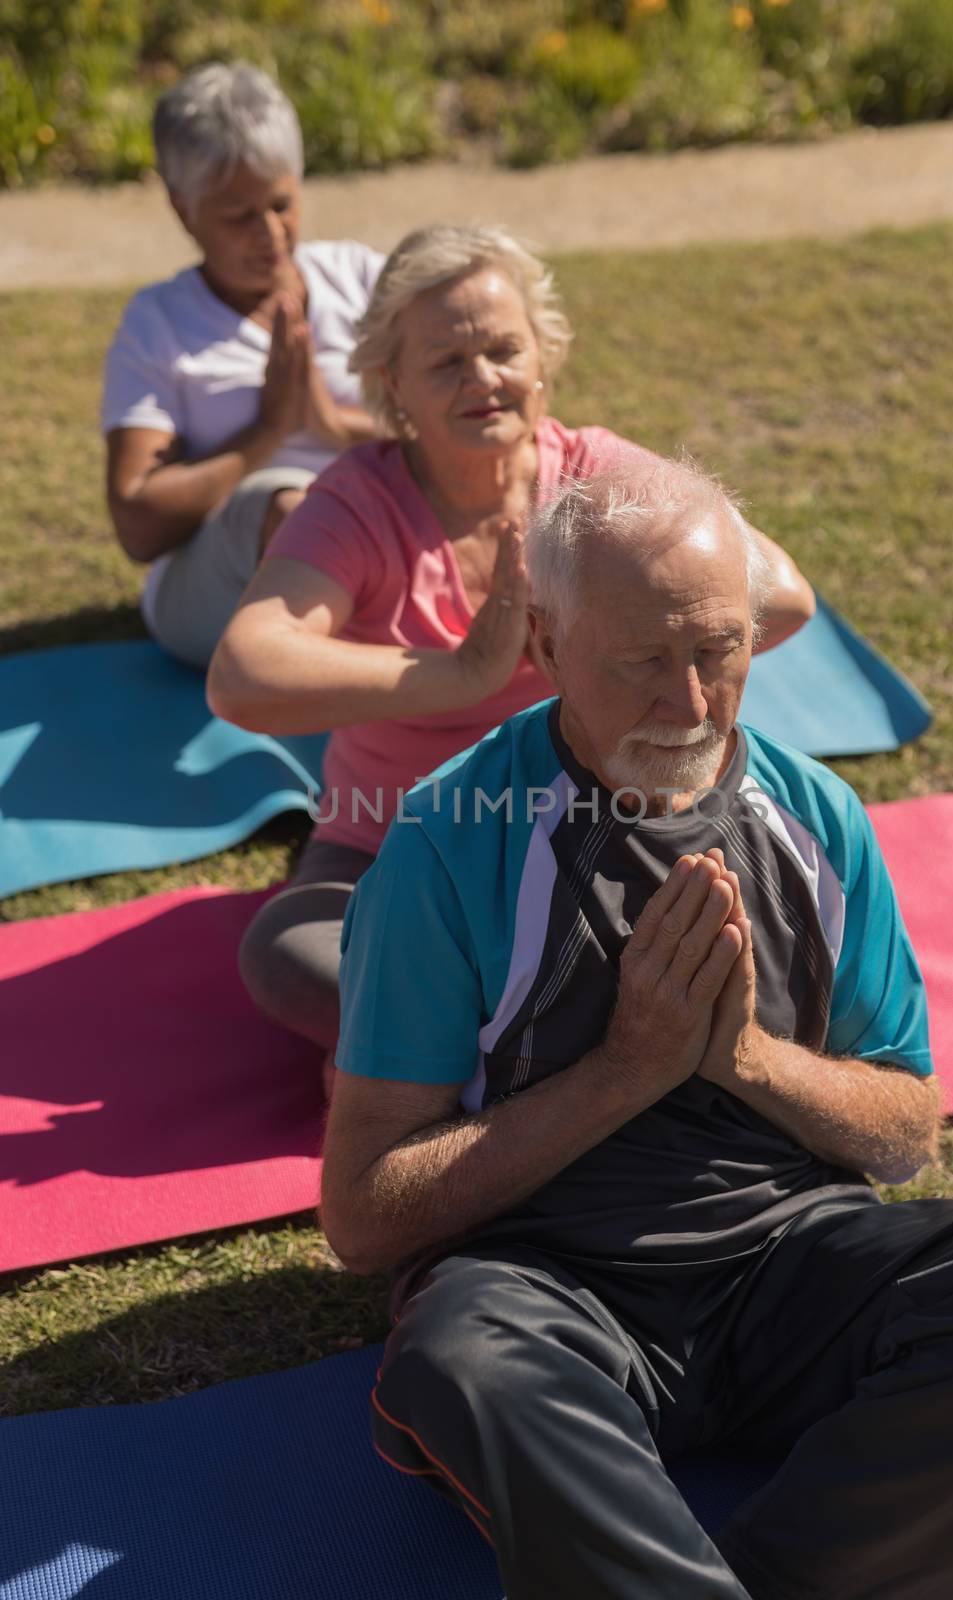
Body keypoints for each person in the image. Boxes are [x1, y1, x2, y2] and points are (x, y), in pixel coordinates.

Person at [318, 456, 953, 1600]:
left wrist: (746, 1058)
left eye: (718, 650)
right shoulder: (447, 843)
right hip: (549, 1285)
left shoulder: (816, 819)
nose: (690, 702)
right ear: (549, 649)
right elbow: (365, 1215)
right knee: (457, 1362)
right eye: (641, 662)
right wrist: (624, 1071)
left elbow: (905, 1130)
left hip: (789, 1266)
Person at [207, 223, 816, 1061]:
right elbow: (243, 672)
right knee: (289, 953)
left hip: (602, 828)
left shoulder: (596, 478)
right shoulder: (357, 500)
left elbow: (781, 594)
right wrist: (462, 674)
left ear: (543, 359)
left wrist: (577, 653)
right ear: (393, 385)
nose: (483, 379)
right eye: (447, 362)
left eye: (503, 350)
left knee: (747, 909)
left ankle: (502, 1035)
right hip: (390, 842)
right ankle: (581, 1032)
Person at [102, 61, 383, 668]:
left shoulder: (362, 278)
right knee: (294, 507)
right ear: (183, 210)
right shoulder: (159, 323)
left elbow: (464, 431)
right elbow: (138, 524)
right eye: (238, 216)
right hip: (214, 593)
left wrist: (334, 425)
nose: (271, 233)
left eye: (281, 203)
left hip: (384, 548)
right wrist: (268, 433)